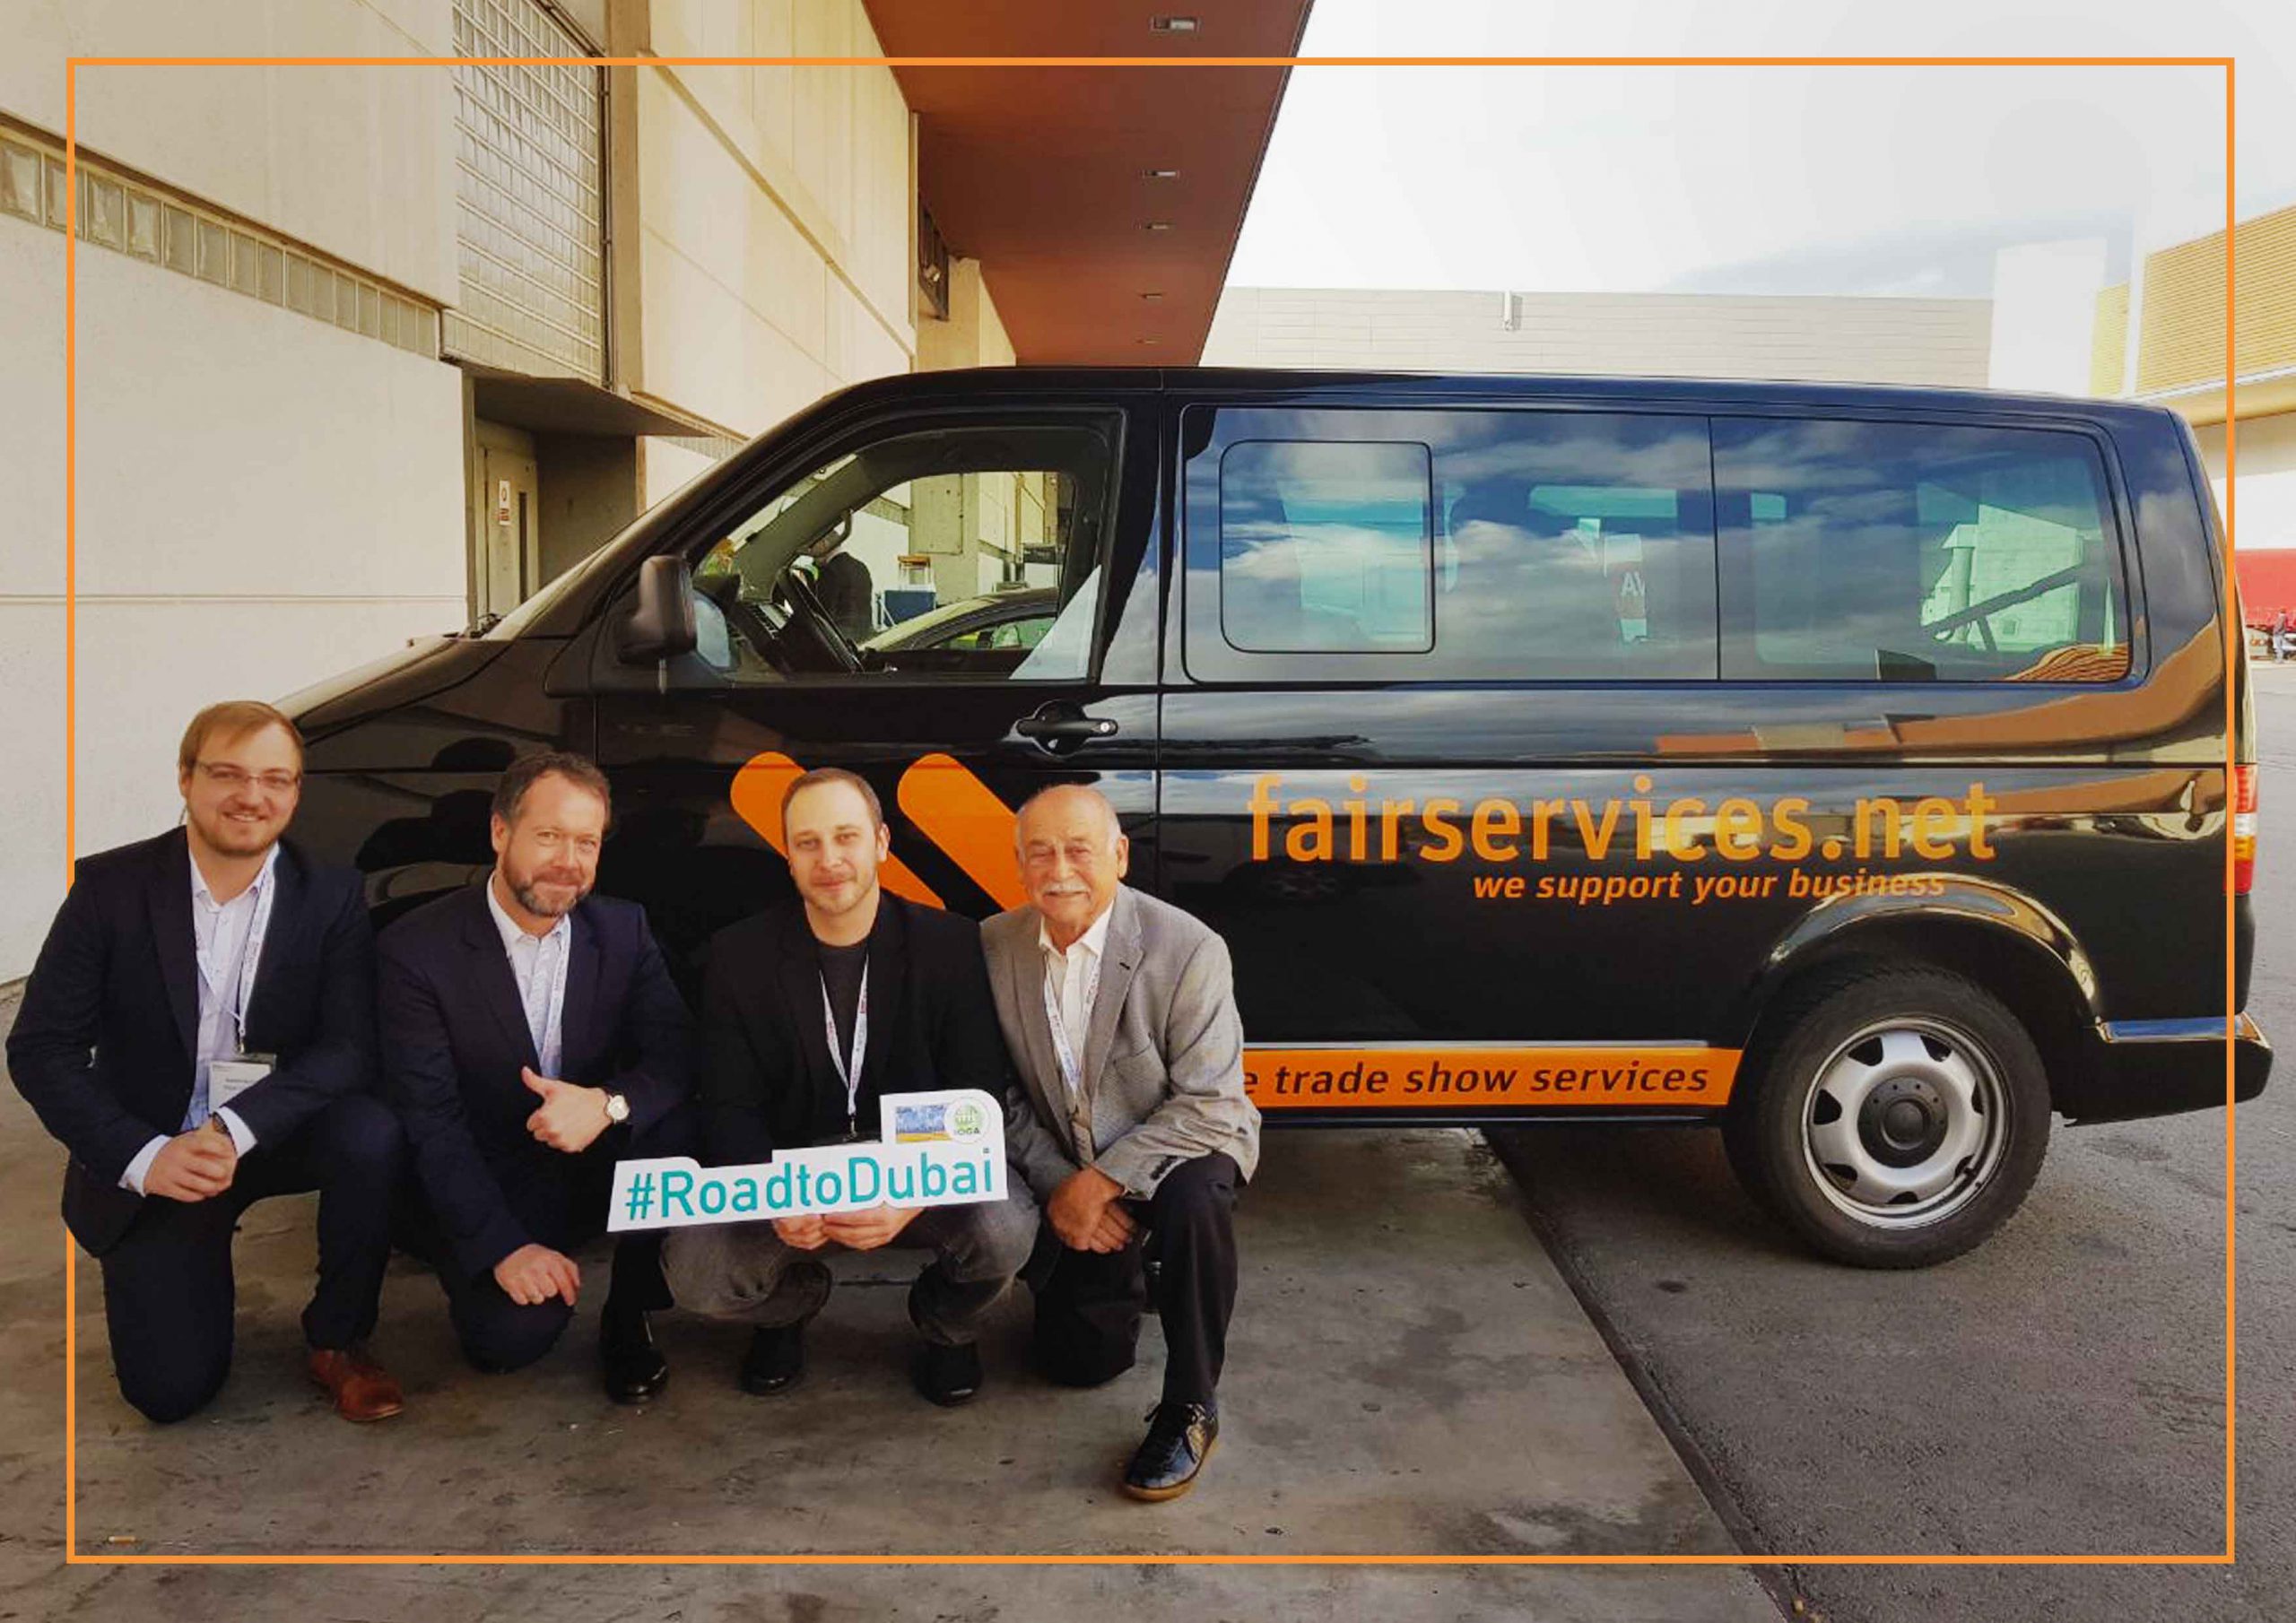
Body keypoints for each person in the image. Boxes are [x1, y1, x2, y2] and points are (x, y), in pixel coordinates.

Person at [7, 701, 404, 1424]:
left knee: (370, 1133)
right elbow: (40, 1048)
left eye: (275, 780)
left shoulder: (332, 895)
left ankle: (339, 1338)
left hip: (266, 1129)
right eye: (228, 773)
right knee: (169, 1394)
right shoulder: (110, 890)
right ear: (186, 779)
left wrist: (236, 1128)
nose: (253, 797)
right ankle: (187, 1271)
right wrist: (142, 1154)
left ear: (295, 793)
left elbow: (349, 1047)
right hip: (159, 1143)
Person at [663, 768, 1037, 1406]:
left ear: (882, 842)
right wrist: (774, 1197)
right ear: (788, 857)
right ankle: (787, 1312)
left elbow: (974, 1090)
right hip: (796, 1169)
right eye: (807, 843)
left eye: (846, 837)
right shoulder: (738, 956)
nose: (830, 860)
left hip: (914, 1160)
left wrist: (913, 1194)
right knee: (695, 1269)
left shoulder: (948, 944)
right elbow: (727, 1106)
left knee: (1005, 1228)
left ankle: (948, 1326)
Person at [378, 752, 694, 1404]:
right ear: (500, 832)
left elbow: (676, 1056)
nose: (568, 861)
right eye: (549, 836)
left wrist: (607, 1105)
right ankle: (494, 1256)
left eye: (586, 842)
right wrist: (503, 1248)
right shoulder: (417, 950)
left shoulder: (623, 930)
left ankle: (628, 1311)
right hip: (486, 1171)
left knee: (676, 1123)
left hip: (588, 1160)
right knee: (507, 1342)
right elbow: (429, 1120)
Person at [981, 784, 1262, 1500]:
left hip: (1177, 1150)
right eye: (1039, 852)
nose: (1060, 868)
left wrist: (1103, 1182)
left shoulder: (1189, 947)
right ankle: (1126, 1271)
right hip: (1069, 1169)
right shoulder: (992, 946)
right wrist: (1060, 1185)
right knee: (1076, 1364)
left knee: (1198, 1200)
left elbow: (1209, 1099)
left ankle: (1192, 1403)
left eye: (1079, 849)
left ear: (1120, 855)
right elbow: (997, 1095)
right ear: (1019, 864)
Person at [806, 530, 875, 643]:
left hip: (841, 637)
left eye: (812, 546)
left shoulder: (829, 571)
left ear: (824, 543)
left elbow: (823, 612)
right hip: (864, 633)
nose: (810, 551)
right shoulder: (860, 566)